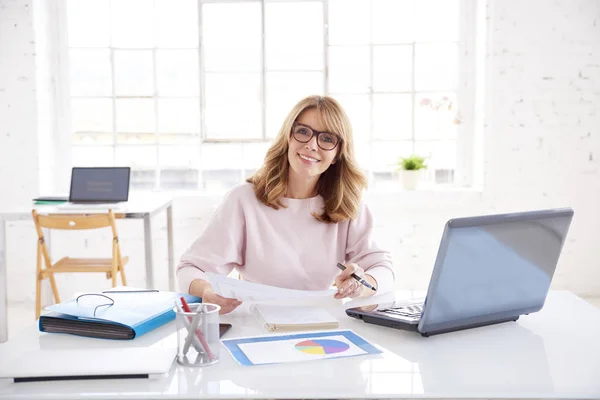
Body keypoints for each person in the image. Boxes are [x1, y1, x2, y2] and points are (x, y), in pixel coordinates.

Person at [177, 95, 395, 314]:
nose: (311, 145)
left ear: (337, 154)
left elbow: (382, 269)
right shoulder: (243, 200)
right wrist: (206, 291)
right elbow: (191, 268)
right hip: (256, 324)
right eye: (302, 132)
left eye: (327, 139)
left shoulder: (347, 205)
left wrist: (361, 285)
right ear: (288, 137)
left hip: (321, 324)